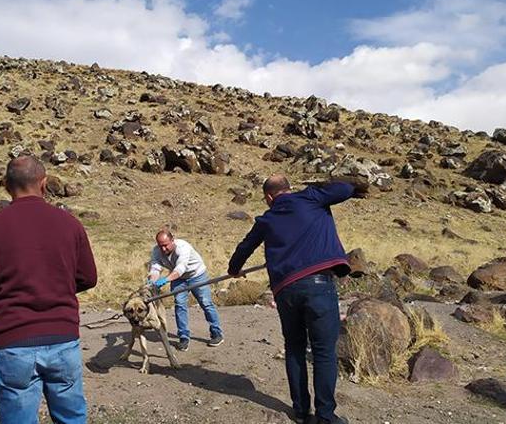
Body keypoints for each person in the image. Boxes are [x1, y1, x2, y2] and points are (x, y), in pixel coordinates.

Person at [0, 155, 97, 424]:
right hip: (63, 339)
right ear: (44, 183)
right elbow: (88, 277)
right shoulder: (70, 223)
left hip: (13, 341)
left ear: (6, 186)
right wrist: (56, 285)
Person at [227, 174, 357, 424]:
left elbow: (245, 247)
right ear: (289, 189)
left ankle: (300, 412)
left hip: (286, 291)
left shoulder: (266, 219)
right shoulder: (311, 197)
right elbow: (346, 189)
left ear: (268, 197)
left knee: (295, 349)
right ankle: (325, 416)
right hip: (319, 285)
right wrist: (321, 184)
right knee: (323, 352)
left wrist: (235, 269)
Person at [148, 228, 224, 351]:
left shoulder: (183, 247)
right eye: (160, 246)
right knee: (180, 305)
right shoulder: (157, 251)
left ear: (172, 240)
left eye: (166, 245)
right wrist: (152, 281)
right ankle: (183, 337)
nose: (163, 249)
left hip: (197, 276)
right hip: (178, 280)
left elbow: (180, 269)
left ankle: (216, 333)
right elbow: (155, 268)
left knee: (206, 303)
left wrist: (165, 280)